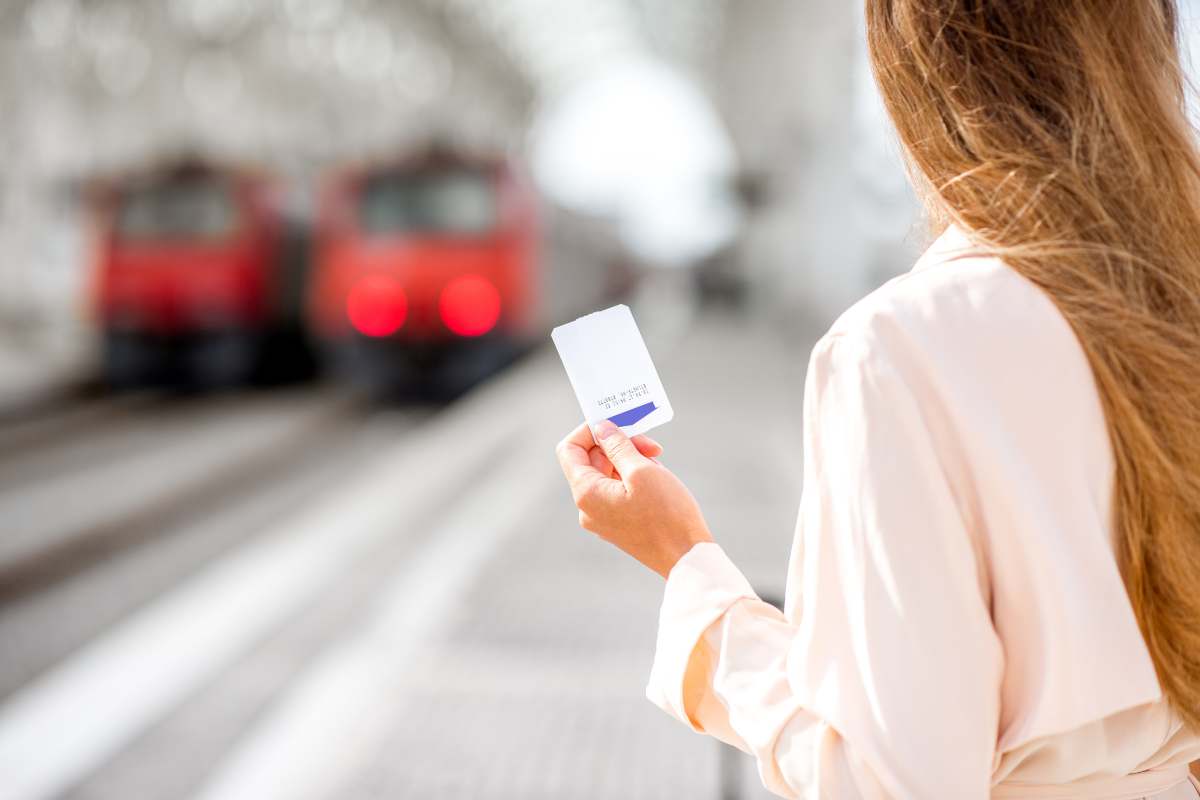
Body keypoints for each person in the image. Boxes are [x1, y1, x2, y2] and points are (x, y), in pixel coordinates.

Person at [554, 1, 1200, 797]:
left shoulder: (900, 350)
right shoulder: (1179, 296)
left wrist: (691, 570)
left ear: (922, 81)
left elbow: (886, 777)